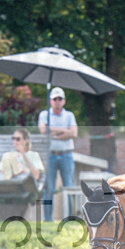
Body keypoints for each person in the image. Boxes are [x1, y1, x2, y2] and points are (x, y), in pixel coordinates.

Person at [38, 87, 78, 221]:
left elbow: (74, 133)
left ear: (64, 101)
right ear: (50, 101)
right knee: (48, 188)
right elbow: (43, 130)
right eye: (55, 99)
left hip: (67, 155)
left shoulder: (69, 115)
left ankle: (71, 218)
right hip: (50, 155)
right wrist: (64, 131)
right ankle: (48, 219)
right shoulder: (45, 114)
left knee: (69, 186)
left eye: (60, 99)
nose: (57, 101)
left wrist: (53, 133)